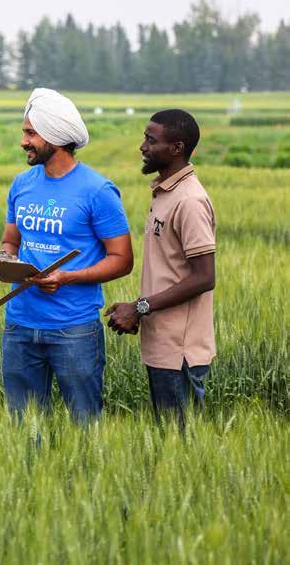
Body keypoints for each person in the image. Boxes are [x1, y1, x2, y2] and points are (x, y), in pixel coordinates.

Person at [0, 88, 133, 422]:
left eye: (31, 133)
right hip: (19, 325)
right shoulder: (21, 184)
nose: (23, 141)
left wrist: (67, 277)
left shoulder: (97, 191)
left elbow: (122, 259)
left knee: (84, 426)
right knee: (25, 429)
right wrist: (5, 261)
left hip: (73, 329)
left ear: (55, 137)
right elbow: (10, 242)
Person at [106, 110, 215, 428]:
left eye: (151, 140)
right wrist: (137, 308)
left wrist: (139, 308)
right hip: (162, 347)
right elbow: (170, 271)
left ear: (177, 148)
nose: (143, 146)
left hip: (180, 352)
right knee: (169, 440)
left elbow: (205, 277)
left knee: (181, 444)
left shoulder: (189, 201)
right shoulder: (166, 194)